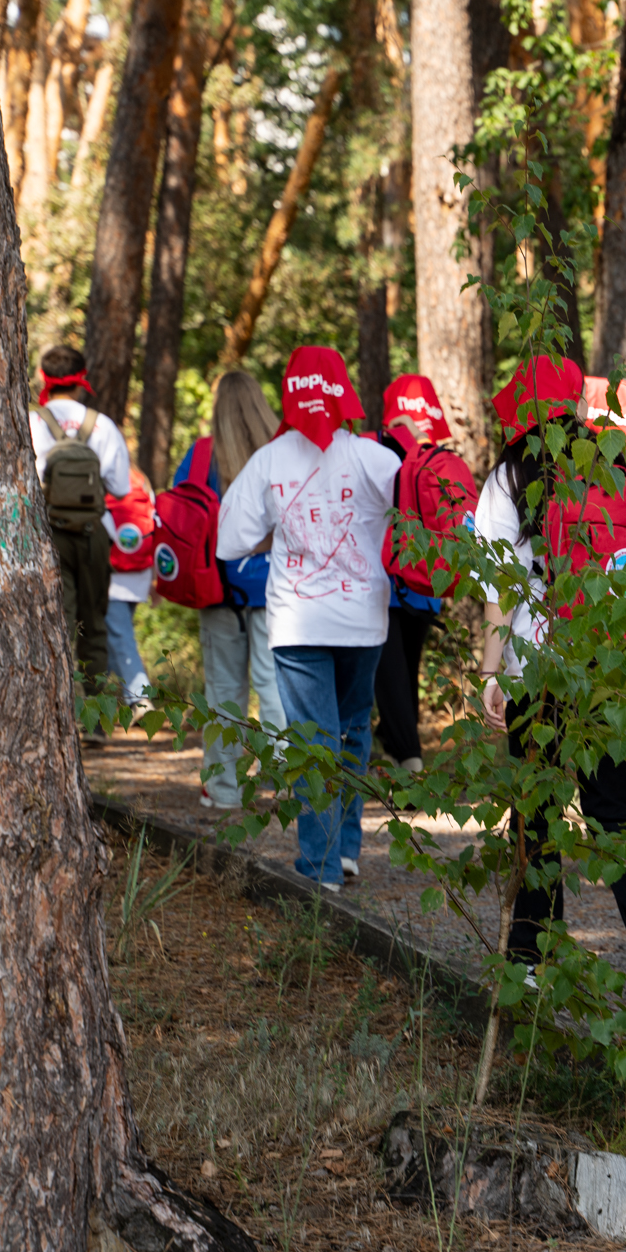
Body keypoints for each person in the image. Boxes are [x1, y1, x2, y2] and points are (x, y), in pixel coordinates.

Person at [476, 356, 626, 993]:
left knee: (536, 814)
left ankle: (531, 958)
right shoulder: (617, 465)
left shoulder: (510, 477)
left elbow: (500, 583)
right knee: (617, 817)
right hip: (616, 667)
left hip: (539, 670)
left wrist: (490, 672)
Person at [216, 347, 396, 888]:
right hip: (364, 618)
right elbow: (418, 517)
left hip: (297, 622)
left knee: (311, 740)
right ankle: (344, 851)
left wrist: (277, 529)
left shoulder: (269, 462)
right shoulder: (375, 458)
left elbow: (229, 541)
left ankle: (319, 870)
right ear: (343, 393)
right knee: (352, 731)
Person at [177, 370, 288, 809]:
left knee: (224, 692)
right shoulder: (282, 452)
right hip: (275, 589)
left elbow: (184, 517)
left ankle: (224, 789)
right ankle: (290, 783)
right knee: (275, 686)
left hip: (218, 587)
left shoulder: (202, 455)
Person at [29, 345, 132, 693]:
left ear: (45, 378)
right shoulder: (100, 424)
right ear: (81, 380)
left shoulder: (32, 420)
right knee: (93, 621)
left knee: (55, 622)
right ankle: (94, 716)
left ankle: (57, 710)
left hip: (46, 535)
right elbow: (120, 487)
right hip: (93, 535)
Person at [372, 374, 449, 774]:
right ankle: (395, 751)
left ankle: (410, 760)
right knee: (406, 672)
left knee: (391, 677)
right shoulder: (436, 455)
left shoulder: (372, 448)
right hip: (424, 582)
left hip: (382, 582)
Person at [106, 466, 155, 708]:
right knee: (111, 638)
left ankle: (140, 699)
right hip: (139, 572)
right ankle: (91, 705)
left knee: (119, 636)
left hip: (112, 574)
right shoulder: (140, 479)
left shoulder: (102, 478)